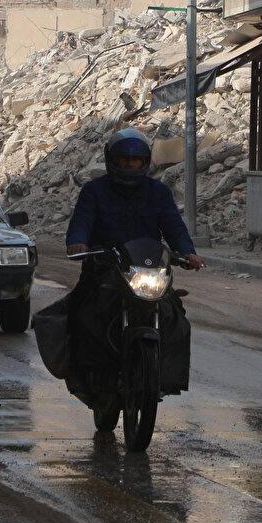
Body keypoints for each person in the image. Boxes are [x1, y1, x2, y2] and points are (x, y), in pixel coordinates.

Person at [64, 128, 206, 396]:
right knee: (81, 313)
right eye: (123, 160)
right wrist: (78, 242)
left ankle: (165, 377)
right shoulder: (94, 191)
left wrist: (187, 253)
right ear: (112, 161)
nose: (129, 165)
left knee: (176, 318)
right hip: (105, 266)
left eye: (136, 160)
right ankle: (85, 374)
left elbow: (173, 226)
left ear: (145, 162)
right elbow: (81, 221)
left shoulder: (159, 192)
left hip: (146, 267)